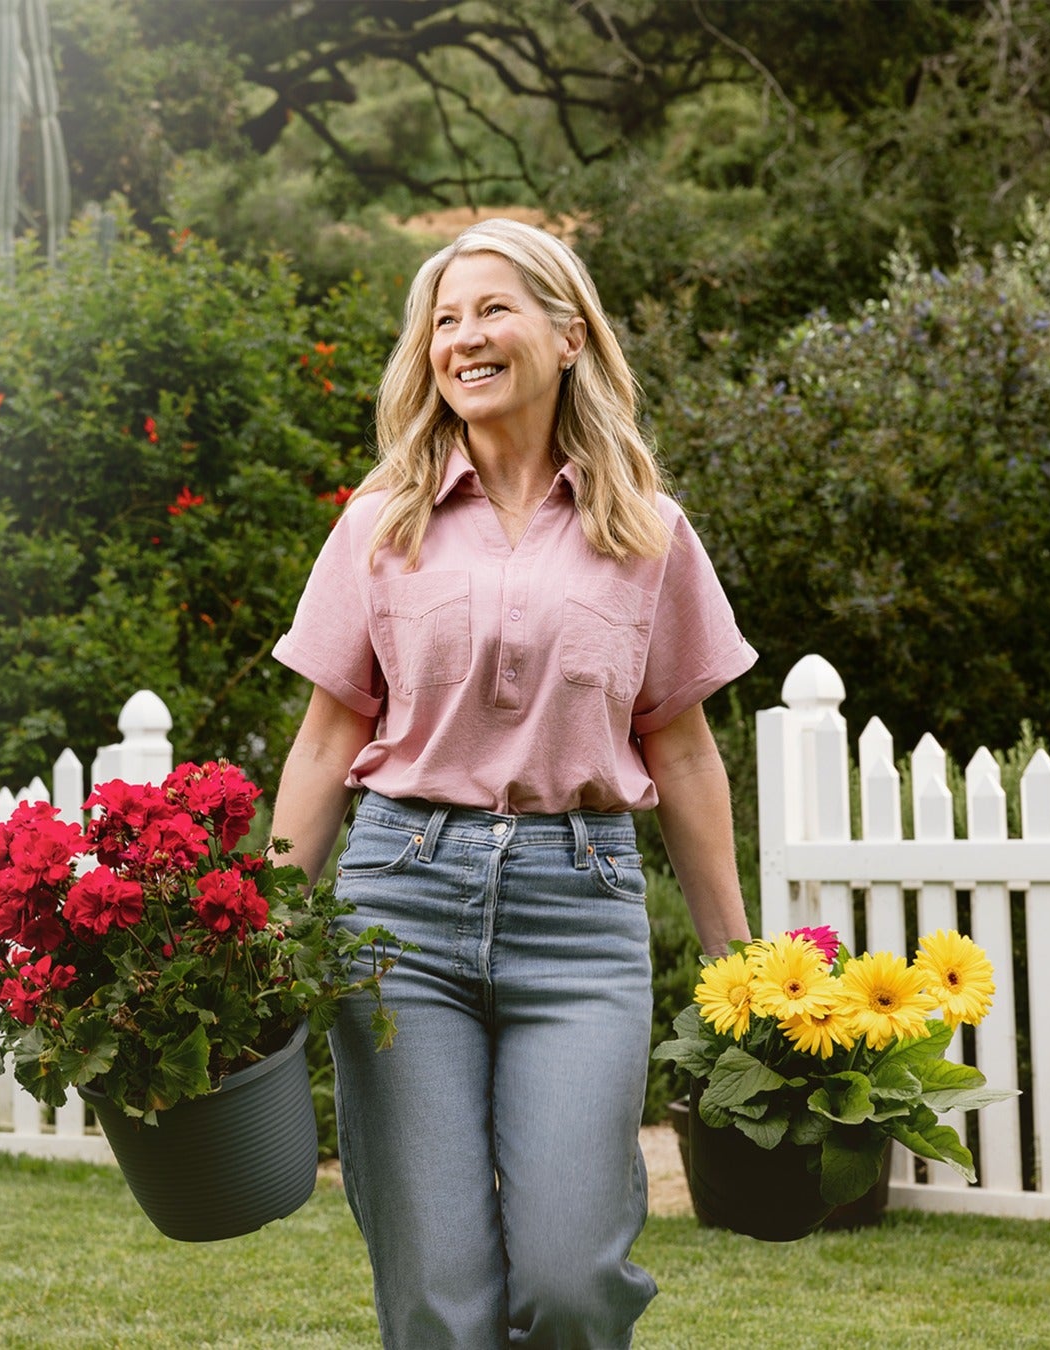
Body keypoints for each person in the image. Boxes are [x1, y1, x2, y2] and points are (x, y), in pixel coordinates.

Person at [268, 217, 757, 1348]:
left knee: (574, 1279)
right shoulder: (380, 523)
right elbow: (323, 744)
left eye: (492, 310)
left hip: (579, 912)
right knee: (439, 1296)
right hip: (397, 903)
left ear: (568, 334)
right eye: (444, 320)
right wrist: (263, 931)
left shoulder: (647, 532)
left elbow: (682, 752)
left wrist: (744, 974)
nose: (464, 338)